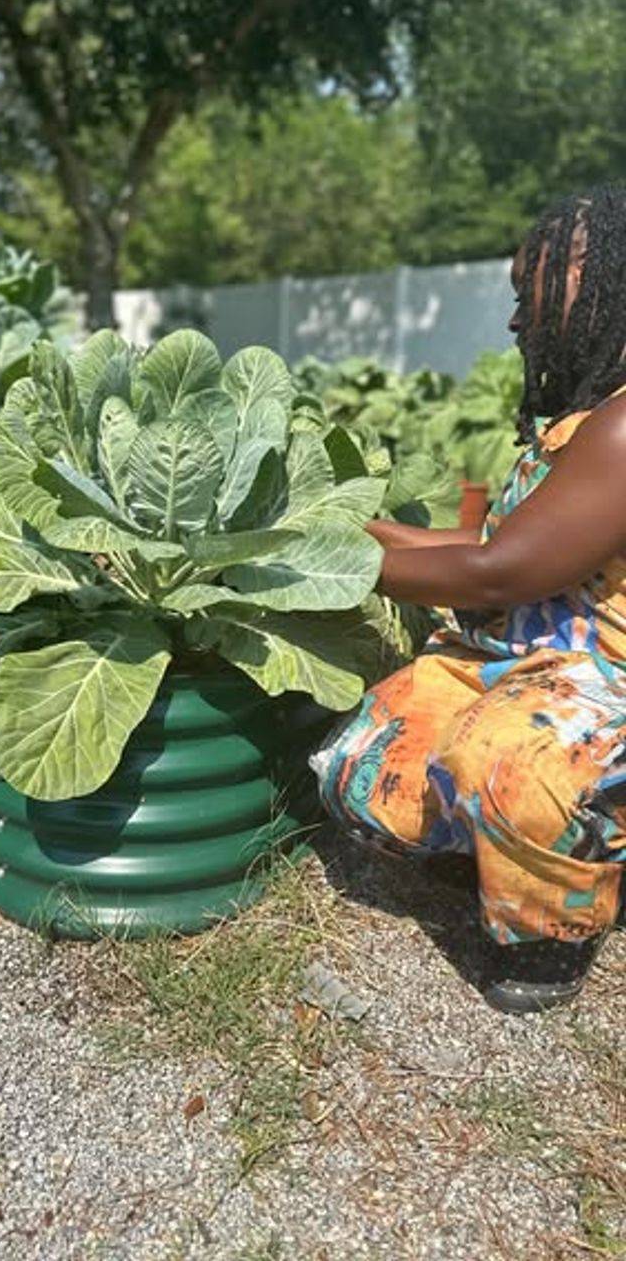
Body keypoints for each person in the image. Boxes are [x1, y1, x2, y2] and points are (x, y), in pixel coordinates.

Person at [314, 185, 626, 1014]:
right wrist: (351, 532)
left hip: (607, 691)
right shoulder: (579, 422)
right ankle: (511, 851)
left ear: (607, 284)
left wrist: (337, 566)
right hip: (525, 667)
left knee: (507, 762)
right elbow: (482, 544)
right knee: (368, 765)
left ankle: (556, 922)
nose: (518, 319)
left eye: (535, 291)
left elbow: (499, 575)